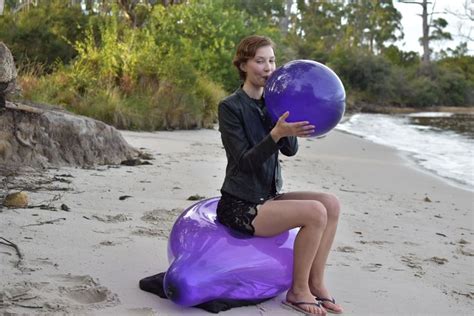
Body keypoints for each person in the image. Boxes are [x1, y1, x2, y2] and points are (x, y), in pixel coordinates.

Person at [216, 35, 344, 315]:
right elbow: (245, 163)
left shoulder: (273, 102)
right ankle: (298, 292)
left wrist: (284, 123)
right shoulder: (230, 108)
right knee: (315, 212)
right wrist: (275, 133)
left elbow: (290, 151)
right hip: (241, 205)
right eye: (259, 61)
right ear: (243, 65)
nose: (267, 67)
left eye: (271, 60)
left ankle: (316, 282)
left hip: (269, 196)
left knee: (330, 203)